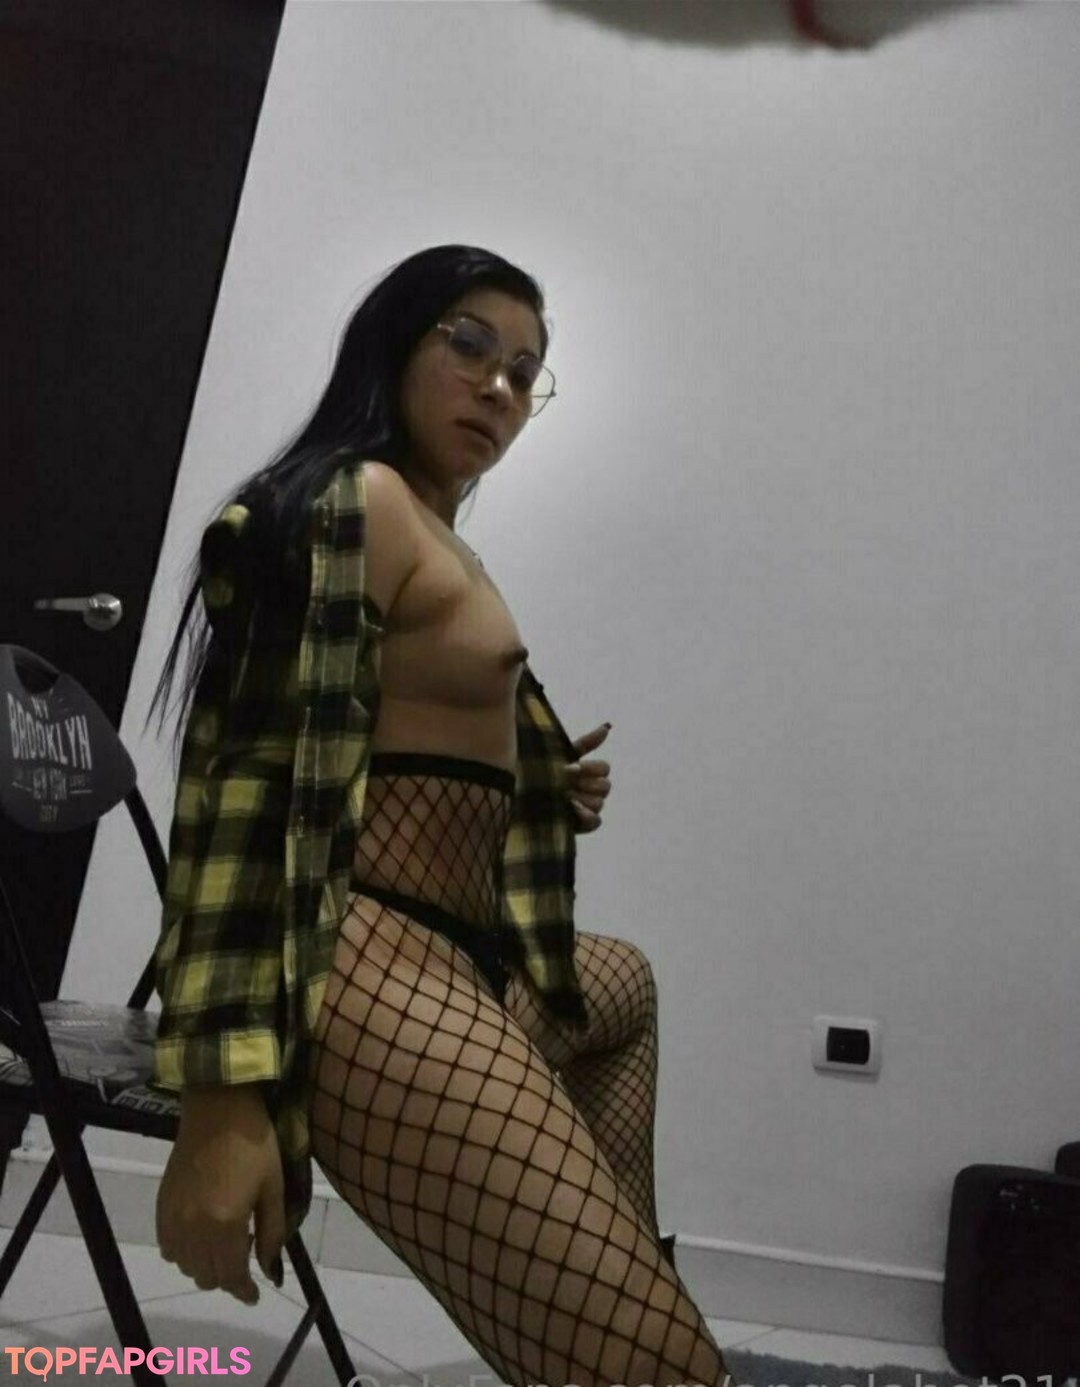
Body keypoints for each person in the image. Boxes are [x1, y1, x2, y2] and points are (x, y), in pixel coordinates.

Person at [147, 244, 729, 1387]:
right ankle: (620, 1321)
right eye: (470, 344)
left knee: (624, 983)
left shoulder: (436, 533)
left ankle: (612, 1281)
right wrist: (220, 1095)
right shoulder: (352, 501)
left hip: (459, 955)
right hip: (367, 962)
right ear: (394, 340)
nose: (499, 387)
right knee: (665, 1368)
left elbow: (422, 714)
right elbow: (245, 787)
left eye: (524, 371)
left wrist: (542, 778)